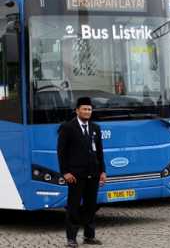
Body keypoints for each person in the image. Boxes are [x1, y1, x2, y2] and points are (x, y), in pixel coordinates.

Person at [57, 97, 106, 247]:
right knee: (73, 206)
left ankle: (89, 236)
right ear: (77, 110)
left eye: (89, 109)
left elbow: (100, 152)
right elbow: (61, 152)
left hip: (93, 174)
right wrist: (65, 172)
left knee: (91, 206)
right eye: (84, 109)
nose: (87, 112)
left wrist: (102, 171)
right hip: (75, 176)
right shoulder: (67, 127)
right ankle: (71, 238)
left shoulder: (95, 128)